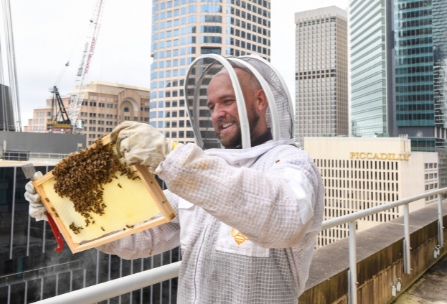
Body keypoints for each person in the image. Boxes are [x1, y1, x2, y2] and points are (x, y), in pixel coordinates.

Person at [26, 55, 323, 303]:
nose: (218, 113)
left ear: (260, 101)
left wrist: (169, 156)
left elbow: (286, 217)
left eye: (227, 101)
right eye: (211, 106)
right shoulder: (208, 170)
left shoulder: (290, 163)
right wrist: (65, 209)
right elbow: (142, 234)